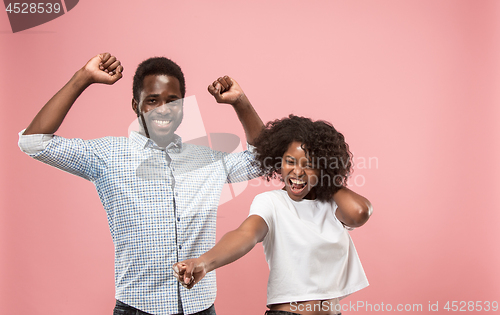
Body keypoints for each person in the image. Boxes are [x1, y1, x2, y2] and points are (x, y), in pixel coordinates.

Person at [18, 53, 264, 315]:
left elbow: (263, 161)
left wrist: (240, 102)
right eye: (152, 101)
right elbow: (34, 143)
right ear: (136, 105)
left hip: (200, 308)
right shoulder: (107, 156)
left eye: (172, 101)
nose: (163, 109)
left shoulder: (208, 159)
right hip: (137, 308)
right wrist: (83, 78)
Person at [173, 115, 372, 315]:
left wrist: (326, 179)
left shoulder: (331, 206)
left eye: (309, 165)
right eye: (290, 161)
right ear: (279, 162)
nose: (298, 172)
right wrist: (204, 262)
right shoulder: (272, 202)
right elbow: (245, 234)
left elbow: (360, 212)